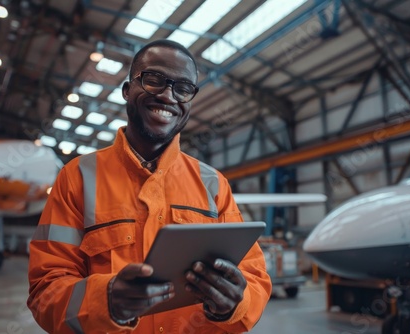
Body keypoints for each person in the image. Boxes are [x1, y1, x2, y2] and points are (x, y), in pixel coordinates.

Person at [27, 39, 272, 333]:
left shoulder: (213, 184)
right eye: (154, 79)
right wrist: (104, 301)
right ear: (127, 90)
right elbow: (45, 291)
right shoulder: (77, 177)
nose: (168, 96)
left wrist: (236, 303)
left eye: (183, 88)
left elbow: (254, 277)